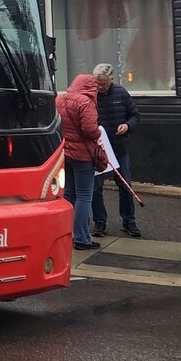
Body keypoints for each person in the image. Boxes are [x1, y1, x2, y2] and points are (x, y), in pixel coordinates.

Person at [91, 62, 142, 238]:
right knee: (96, 188)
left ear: (111, 79)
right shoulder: (90, 95)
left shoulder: (121, 93)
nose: (100, 87)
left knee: (125, 185)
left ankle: (129, 221)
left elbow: (135, 115)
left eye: (104, 84)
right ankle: (99, 221)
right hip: (98, 150)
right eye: (98, 84)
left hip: (119, 148)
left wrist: (127, 126)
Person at [55, 73, 102, 250]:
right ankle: (82, 238)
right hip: (83, 155)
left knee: (68, 194)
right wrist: (99, 132)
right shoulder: (85, 102)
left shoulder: (60, 99)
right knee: (84, 195)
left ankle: (66, 234)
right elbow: (90, 129)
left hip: (64, 153)